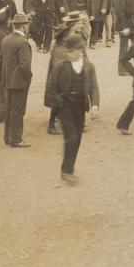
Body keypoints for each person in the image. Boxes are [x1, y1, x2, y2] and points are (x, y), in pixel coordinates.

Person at [45, 33, 101, 185]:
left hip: (80, 107)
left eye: (71, 52)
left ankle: (69, 167)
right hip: (65, 107)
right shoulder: (60, 67)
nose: (68, 55)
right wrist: (60, 102)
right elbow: (51, 88)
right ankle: (66, 171)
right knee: (71, 137)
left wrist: (95, 106)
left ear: (80, 50)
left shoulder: (89, 67)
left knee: (77, 139)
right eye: (67, 51)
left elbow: (94, 88)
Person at [1, 13, 34, 148]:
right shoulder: (23, 43)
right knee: (18, 111)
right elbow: (25, 65)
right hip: (20, 81)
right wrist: (28, 77)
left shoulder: (6, 40)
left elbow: (1, 60)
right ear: (24, 26)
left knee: (9, 109)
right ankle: (16, 139)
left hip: (7, 79)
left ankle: (8, 137)